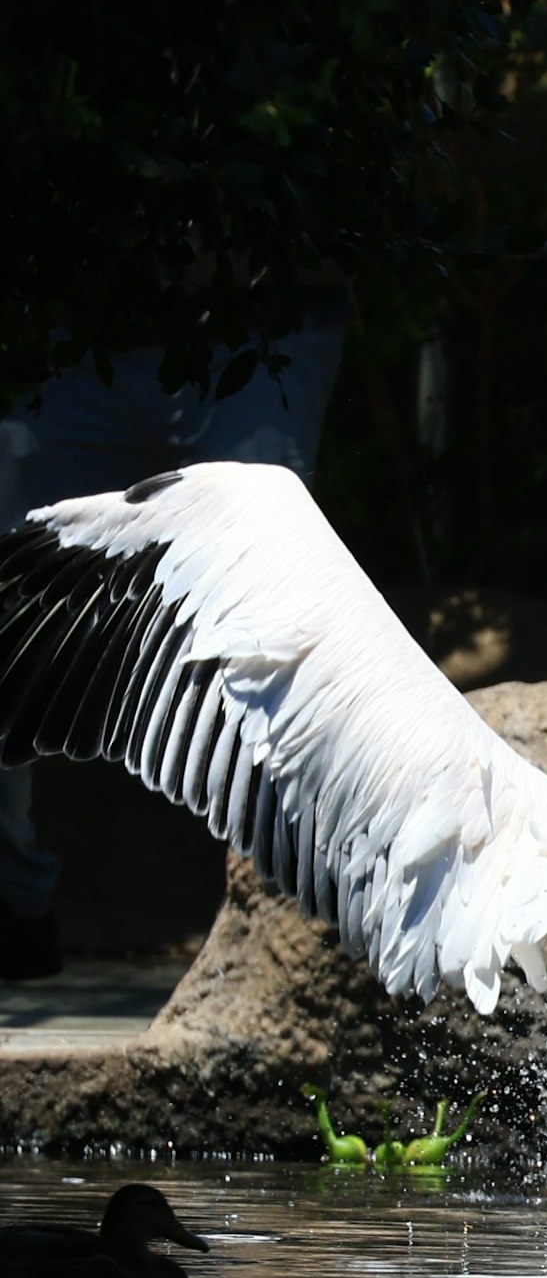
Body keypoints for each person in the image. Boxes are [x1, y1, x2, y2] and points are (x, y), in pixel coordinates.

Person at [0, 285, 347, 978]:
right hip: (81, 337)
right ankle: (11, 904)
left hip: (256, 335)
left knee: (274, 620)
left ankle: (299, 936)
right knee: (10, 584)